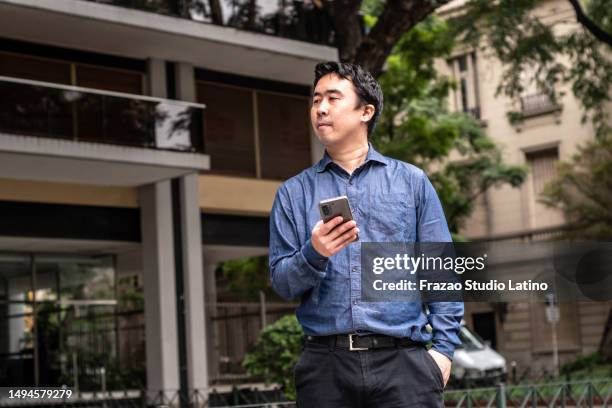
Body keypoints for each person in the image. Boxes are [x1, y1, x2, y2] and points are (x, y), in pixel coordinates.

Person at [269, 61, 464, 407]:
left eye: (333, 98)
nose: (321, 108)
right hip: (325, 369)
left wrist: (443, 352)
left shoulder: (411, 182)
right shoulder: (292, 193)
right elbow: (282, 283)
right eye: (315, 101)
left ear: (366, 111)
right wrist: (314, 252)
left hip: (404, 365)